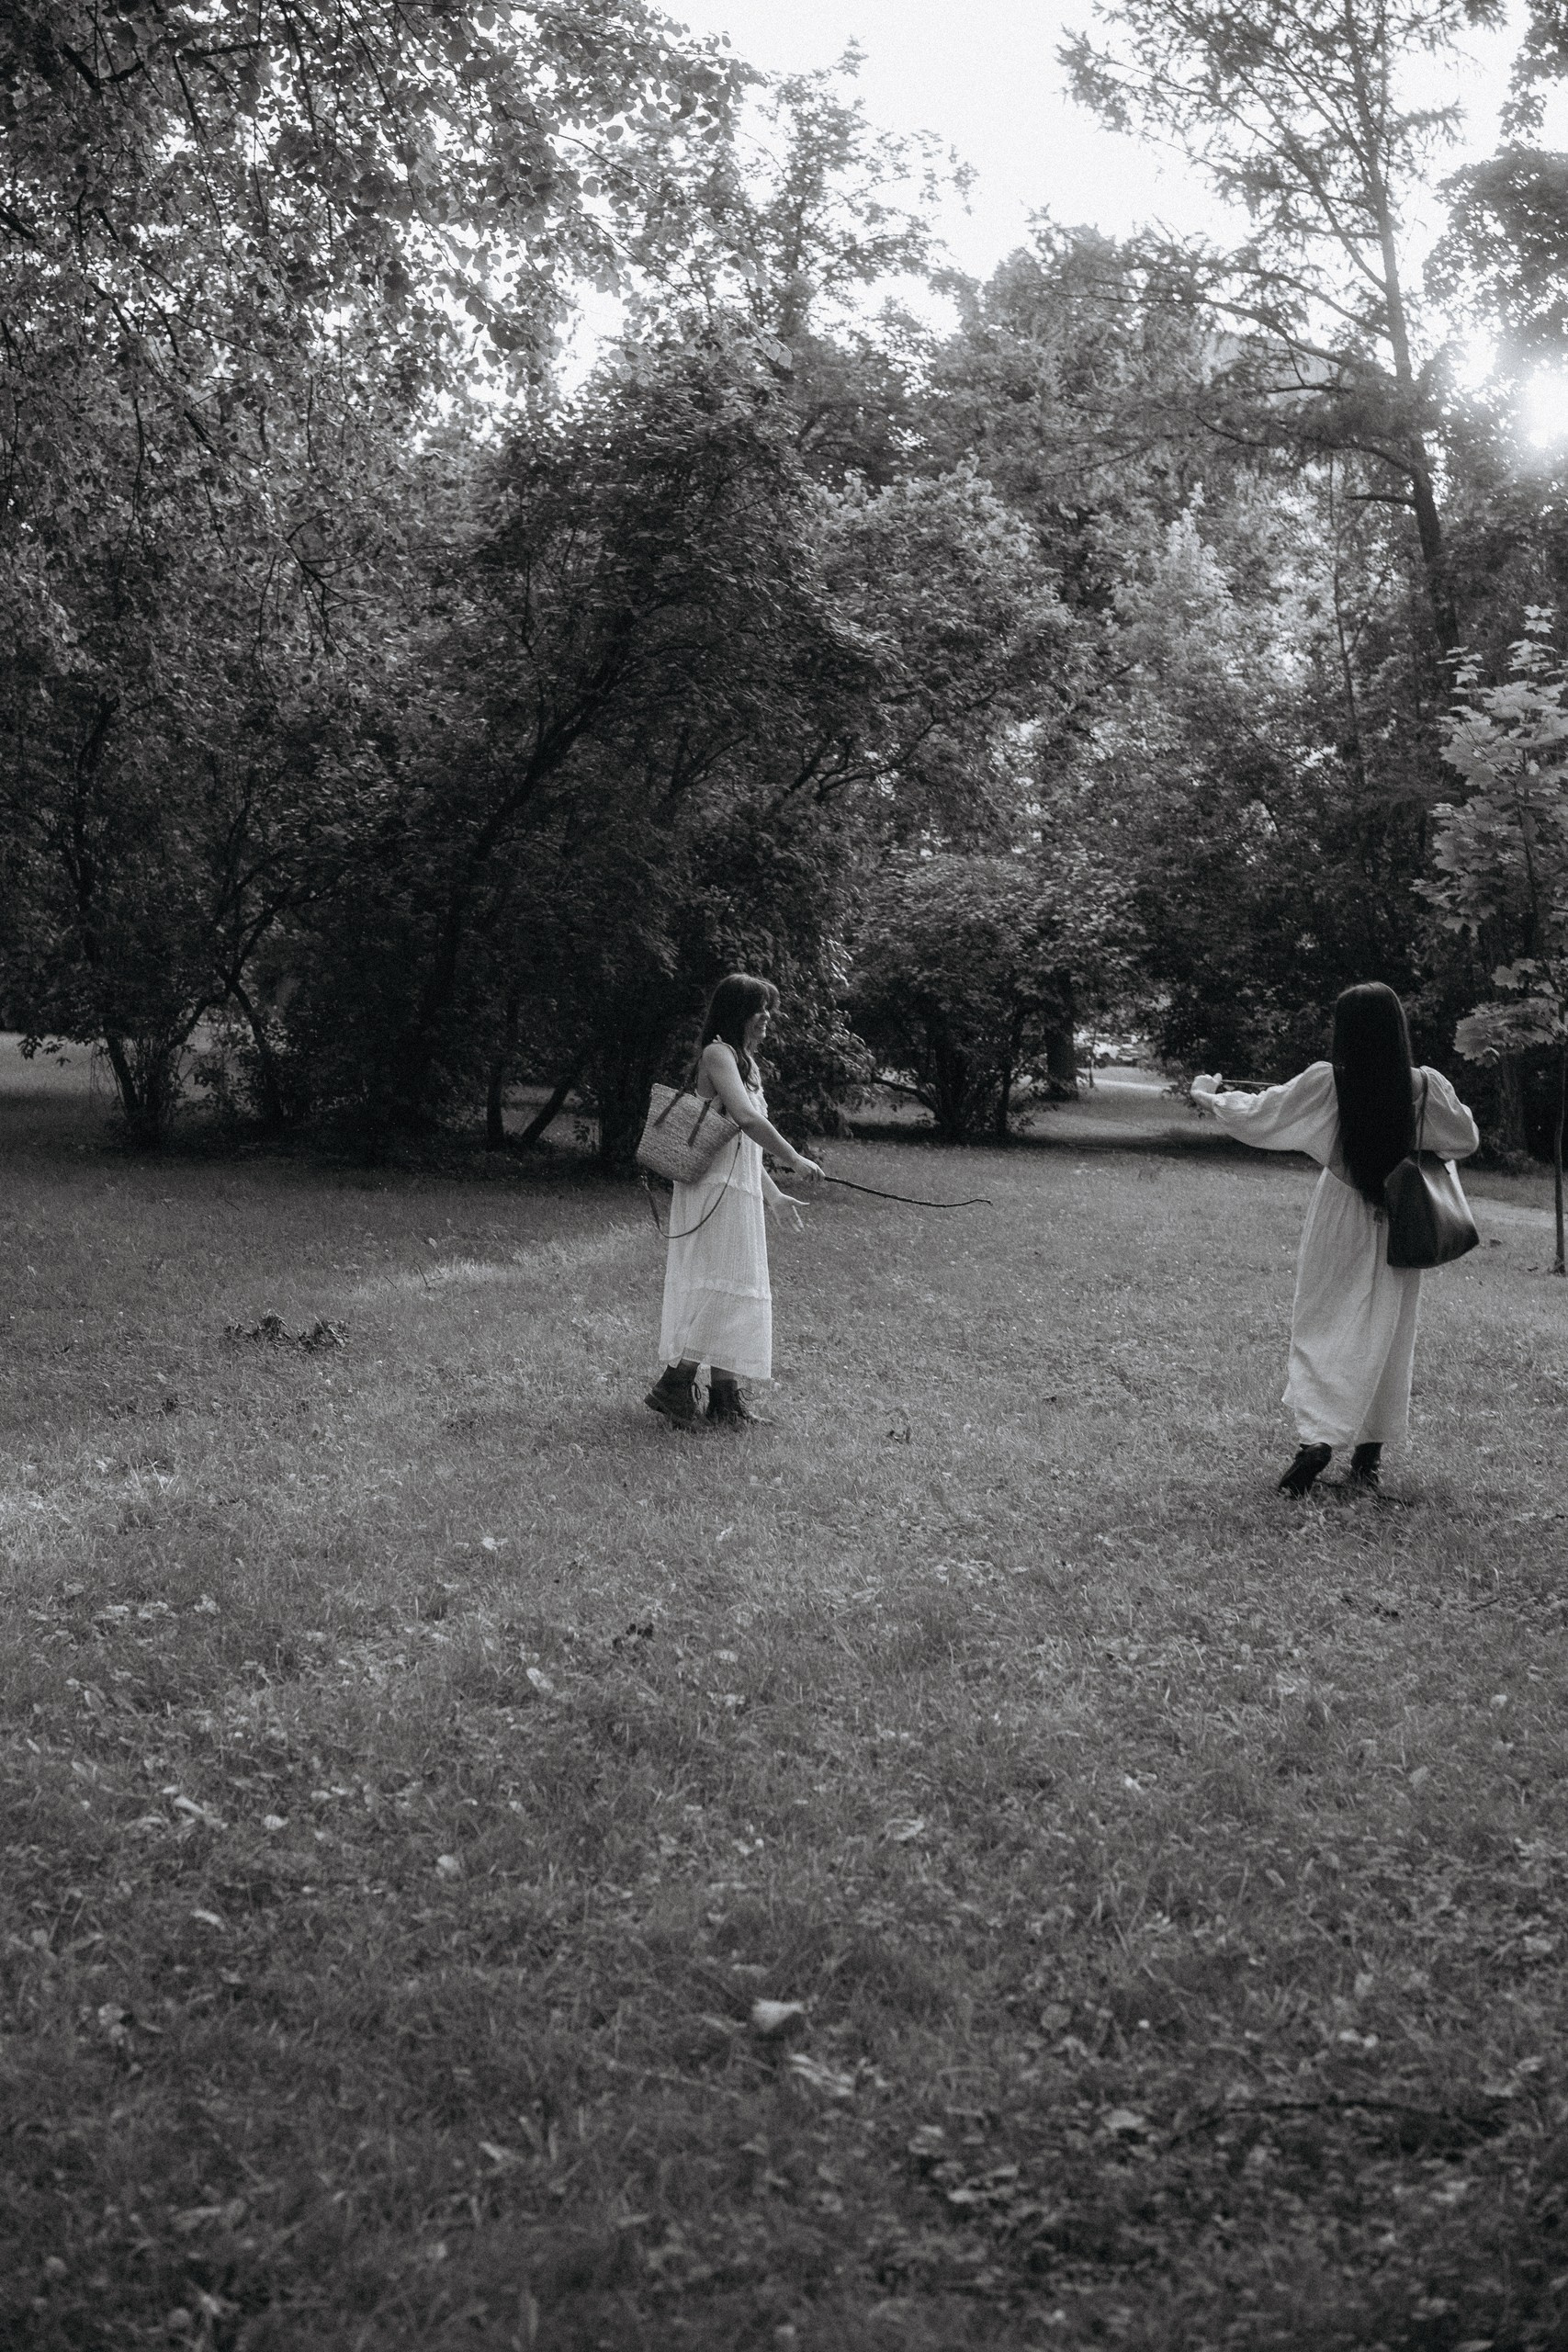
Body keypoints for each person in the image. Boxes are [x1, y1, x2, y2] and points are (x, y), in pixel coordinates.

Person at [1190, 982, 1480, 1496]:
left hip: (1341, 1214)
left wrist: (1208, 1094)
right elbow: (1465, 1139)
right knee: (1389, 1331)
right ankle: (1368, 1459)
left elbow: (1260, 1116)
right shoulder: (1425, 1085)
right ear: (1397, 1027)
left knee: (1323, 1325)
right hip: (1400, 1216)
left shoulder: (1326, 1082)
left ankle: (1318, 1442)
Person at [646, 974, 822, 1432]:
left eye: (768, 1009)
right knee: (714, 1285)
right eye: (759, 1008)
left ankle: (725, 1399)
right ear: (735, 1011)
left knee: (734, 1285)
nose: (767, 1017)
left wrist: (773, 1195)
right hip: (711, 1189)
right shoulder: (717, 1054)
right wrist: (794, 1157)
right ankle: (673, 1386)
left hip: (736, 1189)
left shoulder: (746, 1063)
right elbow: (744, 1119)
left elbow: (742, 1147)